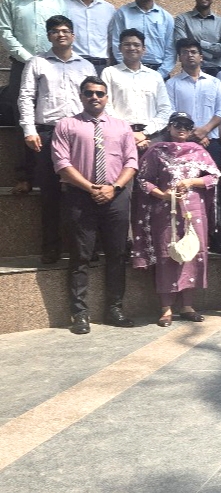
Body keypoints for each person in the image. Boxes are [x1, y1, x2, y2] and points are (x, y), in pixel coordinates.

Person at [51, 76, 137, 334]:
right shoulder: (67, 125)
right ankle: (79, 313)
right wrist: (91, 188)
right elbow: (62, 164)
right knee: (80, 255)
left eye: (99, 93)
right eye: (89, 93)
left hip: (116, 196)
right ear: (81, 96)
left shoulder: (122, 127)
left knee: (117, 254)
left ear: (107, 97)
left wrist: (114, 188)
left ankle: (115, 309)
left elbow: (131, 162)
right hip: (80, 196)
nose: (94, 97)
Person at [131, 111, 221, 326]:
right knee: (166, 255)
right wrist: (162, 194)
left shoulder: (199, 151)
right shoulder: (156, 151)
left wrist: (191, 182)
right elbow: (143, 180)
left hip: (193, 211)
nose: (182, 129)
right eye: (177, 124)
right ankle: (166, 308)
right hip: (165, 211)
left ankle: (188, 306)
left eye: (187, 126)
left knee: (193, 253)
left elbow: (214, 176)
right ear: (169, 127)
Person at [18, 15, 95, 262]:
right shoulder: (37, 62)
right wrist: (29, 130)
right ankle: (51, 247)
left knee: (82, 191)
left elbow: (94, 100)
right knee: (50, 192)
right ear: (48, 36)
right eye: (54, 31)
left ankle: (84, 248)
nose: (60, 34)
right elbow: (26, 97)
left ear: (73, 35)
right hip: (47, 133)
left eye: (65, 30)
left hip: (79, 132)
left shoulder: (86, 66)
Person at [1, 0, 67, 130]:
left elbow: (64, 34)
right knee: (22, 114)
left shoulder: (58, 2)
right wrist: (30, 59)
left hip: (53, 66)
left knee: (54, 112)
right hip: (22, 66)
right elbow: (5, 32)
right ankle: (24, 148)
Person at [102, 29, 173, 152]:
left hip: (151, 137)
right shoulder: (109, 73)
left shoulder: (155, 76)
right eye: (127, 44)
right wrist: (127, 132)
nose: (132, 48)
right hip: (119, 136)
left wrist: (144, 133)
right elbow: (106, 106)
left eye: (136, 45)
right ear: (120, 48)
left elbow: (165, 110)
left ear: (144, 49)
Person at [165, 39, 221, 161]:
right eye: (185, 52)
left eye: (193, 52)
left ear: (201, 57)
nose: (190, 55)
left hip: (210, 140)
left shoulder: (215, 82)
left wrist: (205, 130)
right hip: (183, 142)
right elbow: (171, 112)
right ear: (179, 58)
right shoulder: (171, 84)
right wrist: (192, 134)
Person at [109, 0, 175, 77]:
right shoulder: (122, 14)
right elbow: (116, 43)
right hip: (128, 71)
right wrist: (125, 69)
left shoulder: (166, 17)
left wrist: (160, 74)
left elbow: (171, 49)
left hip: (158, 71)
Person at [173, 0, 221, 76]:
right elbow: (182, 46)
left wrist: (199, 43)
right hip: (190, 71)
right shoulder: (182, 19)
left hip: (216, 72)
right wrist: (213, 52)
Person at [62, 0, 115, 73]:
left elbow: (112, 39)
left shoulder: (108, 9)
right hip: (71, 64)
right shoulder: (62, 4)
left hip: (100, 66)